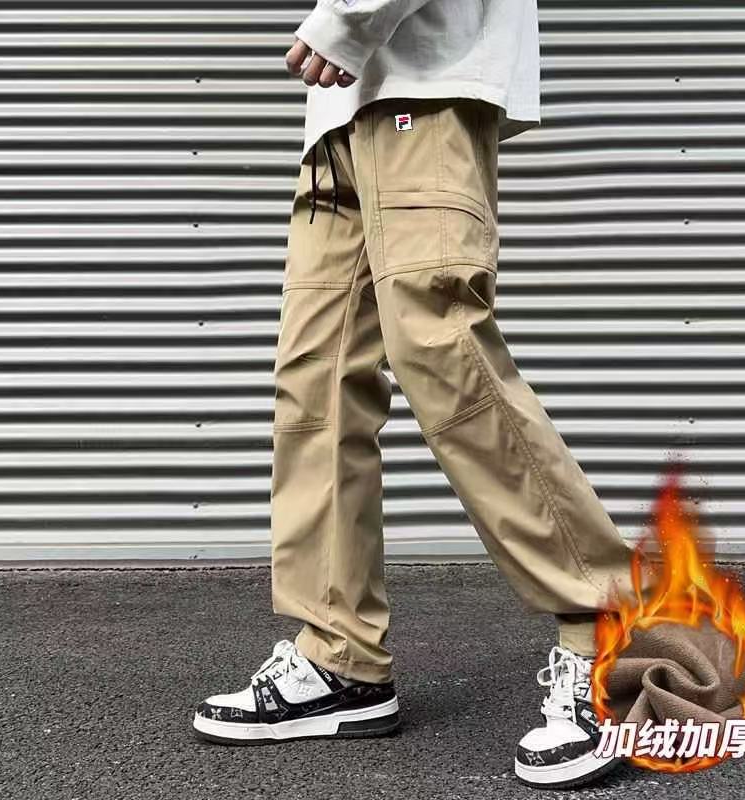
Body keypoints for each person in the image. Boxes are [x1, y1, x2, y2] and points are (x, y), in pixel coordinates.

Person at [193, 0, 637, 788]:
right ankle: (340, 657)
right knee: (316, 385)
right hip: (340, 115)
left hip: (424, 81)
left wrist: (348, 18)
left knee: (440, 351)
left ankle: (613, 628)